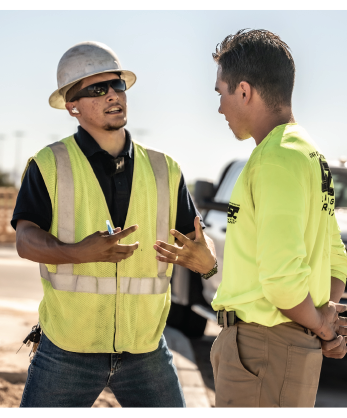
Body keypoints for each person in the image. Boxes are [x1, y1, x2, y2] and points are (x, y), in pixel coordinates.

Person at [13, 41, 216, 407]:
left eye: (117, 85)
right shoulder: (48, 164)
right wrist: (76, 253)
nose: (112, 95)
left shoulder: (165, 169)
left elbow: (198, 240)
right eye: (96, 88)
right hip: (67, 351)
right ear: (71, 105)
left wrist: (208, 263)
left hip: (146, 351)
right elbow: (25, 239)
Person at [206, 29, 347, 408]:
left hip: (263, 351)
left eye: (221, 93)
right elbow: (335, 258)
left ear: (244, 91)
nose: (220, 108)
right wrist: (322, 322)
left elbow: (282, 279)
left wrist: (322, 323)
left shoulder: (275, 159)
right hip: (279, 348)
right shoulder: (308, 153)